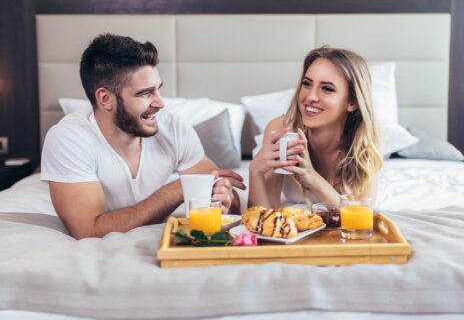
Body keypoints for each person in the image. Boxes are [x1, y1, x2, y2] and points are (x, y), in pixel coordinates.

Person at [41, 33, 245, 239]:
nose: (160, 103)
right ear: (105, 99)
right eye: (145, 93)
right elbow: (88, 230)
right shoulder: (68, 139)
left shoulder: (174, 128)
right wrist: (175, 191)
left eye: (158, 89)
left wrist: (225, 198)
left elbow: (232, 202)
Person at [248, 47, 382, 208]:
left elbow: (362, 216)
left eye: (327, 88)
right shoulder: (282, 130)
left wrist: (312, 177)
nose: (310, 97)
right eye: (307, 84)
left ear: (352, 102)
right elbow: (263, 216)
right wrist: (255, 172)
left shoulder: (367, 136)